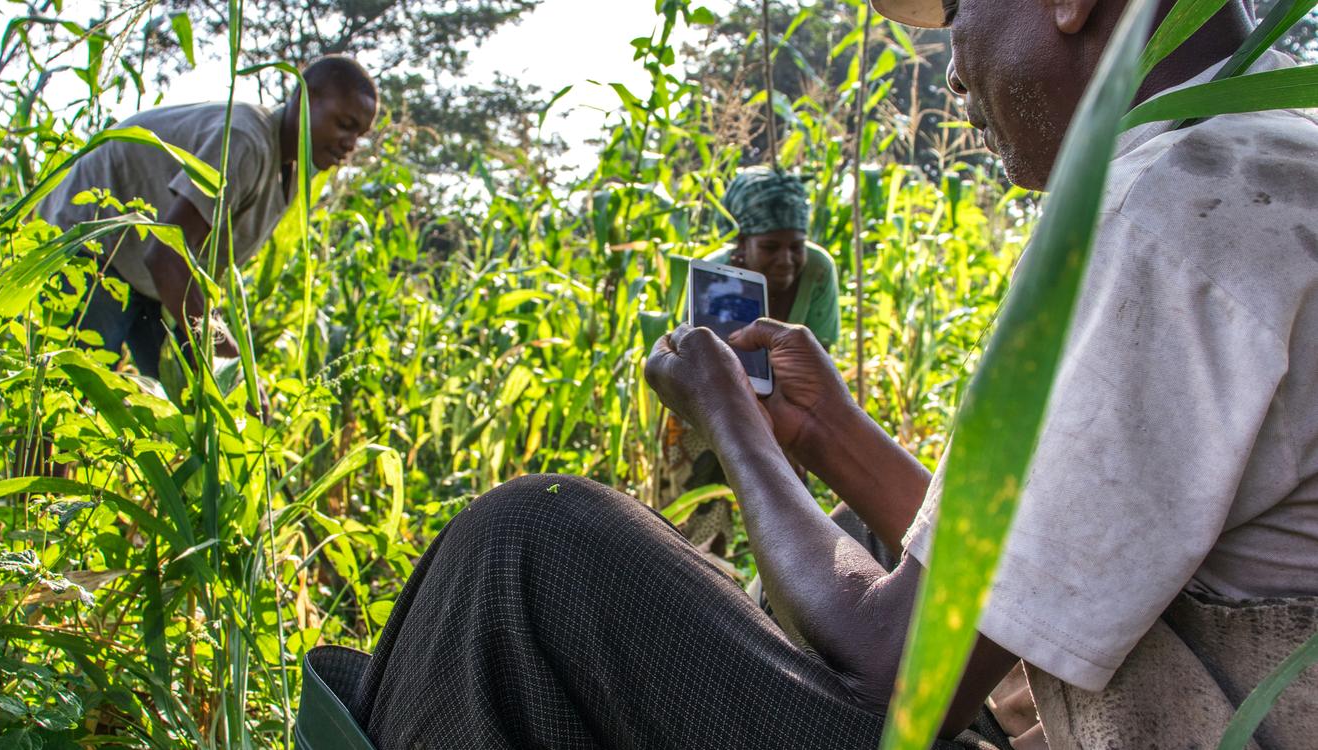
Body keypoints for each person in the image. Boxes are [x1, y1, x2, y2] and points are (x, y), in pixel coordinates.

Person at [317, 0, 1318, 747]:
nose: (952, 64)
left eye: (960, 7)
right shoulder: (1263, 169)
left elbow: (902, 672)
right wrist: (825, 435)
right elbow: (1025, 582)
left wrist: (734, 426)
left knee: (528, 546)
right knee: (823, 538)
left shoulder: (1171, 219)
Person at [39, 55, 378, 384]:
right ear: (304, 98)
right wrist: (231, 363)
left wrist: (232, 373)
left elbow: (191, 271)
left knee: (196, 406)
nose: (350, 144)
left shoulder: (287, 172)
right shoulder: (245, 140)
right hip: (95, 243)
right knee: (70, 396)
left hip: (150, 276)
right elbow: (166, 256)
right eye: (344, 125)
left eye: (359, 135)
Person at [658, 168, 841, 559]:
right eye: (770, 247)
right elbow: (694, 362)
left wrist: (784, 430)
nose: (787, 260)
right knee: (700, 525)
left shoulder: (818, 271)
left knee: (793, 519)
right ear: (742, 244)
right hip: (707, 403)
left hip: (784, 402)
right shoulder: (712, 278)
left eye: (796, 246)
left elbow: (817, 359)